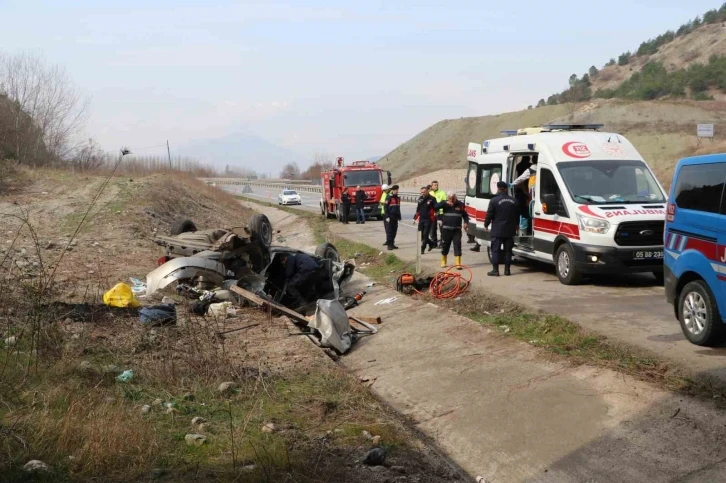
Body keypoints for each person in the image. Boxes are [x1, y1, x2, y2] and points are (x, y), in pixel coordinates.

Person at [484, 181, 520, 277]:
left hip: (497, 231)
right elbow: (517, 215)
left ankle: (495, 270)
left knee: (495, 250)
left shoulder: (494, 201)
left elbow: (489, 215)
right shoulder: (514, 201)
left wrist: (486, 225)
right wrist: (517, 225)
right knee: (508, 251)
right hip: (510, 230)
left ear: (498, 188)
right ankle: (507, 270)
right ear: (506, 188)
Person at [435, 192, 469, 269]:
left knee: (457, 245)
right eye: (449, 199)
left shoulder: (460, 204)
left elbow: (465, 215)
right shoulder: (444, 204)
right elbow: (435, 207)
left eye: (452, 199)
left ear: (455, 197)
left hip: (457, 229)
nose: (451, 201)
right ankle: (443, 261)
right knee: (445, 245)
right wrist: (444, 202)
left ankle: (458, 263)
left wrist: (466, 222)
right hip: (446, 229)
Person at [413, 186, 437, 254]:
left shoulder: (432, 199)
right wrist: (416, 216)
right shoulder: (420, 199)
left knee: (425, 234)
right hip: (421, 219)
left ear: (427, 191)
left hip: (428, 219)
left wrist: (437, 217)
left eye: (424, 192)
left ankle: (422, 248)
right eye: (421, 192)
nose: (422, 193)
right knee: (420, 235)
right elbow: (418, 208)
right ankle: (431, 243)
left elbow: (436, 209)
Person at [429, 181, 447, 248]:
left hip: (441, 214)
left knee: (442, 229)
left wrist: (438, 212)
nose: (436, 186)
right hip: (432, 215)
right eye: (434, 185)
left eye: (437, 185)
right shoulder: (429, 193)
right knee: (432, 230)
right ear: (432, 186)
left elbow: (444, 203)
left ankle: (442, 242)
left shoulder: (442, 193)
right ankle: (434, 243)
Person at [384, 185, 401, 250]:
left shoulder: (397, 198)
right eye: (396, 190)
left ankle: (392, 243)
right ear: (393, 190)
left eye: (397, 190)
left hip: (395, 217)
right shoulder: (389, 197)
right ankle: (389, 245)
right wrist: (387, 216)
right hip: (390, 217)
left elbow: (398, 207)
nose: (397, 191)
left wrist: (399, 216)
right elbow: (385, 207)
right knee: (390, 231)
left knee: (394, 231)